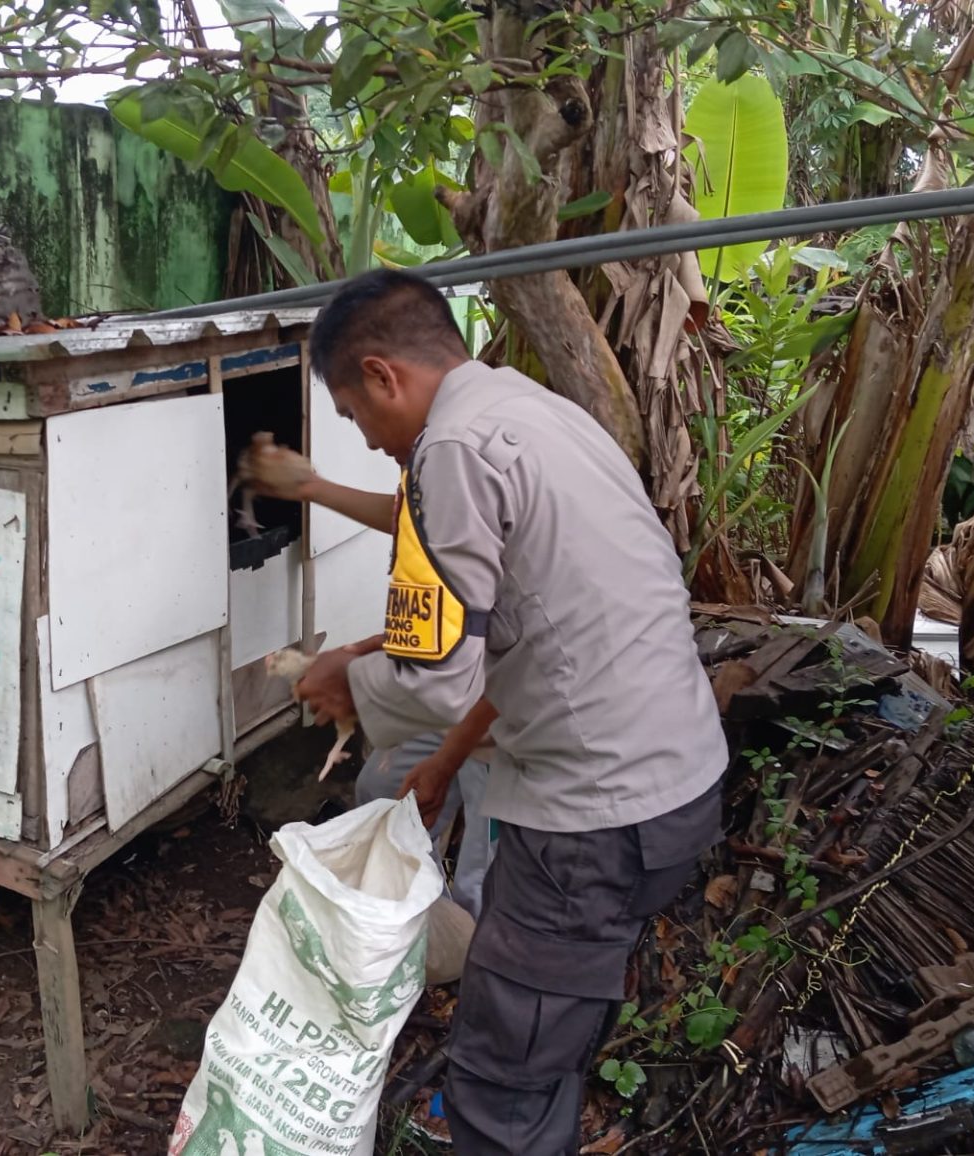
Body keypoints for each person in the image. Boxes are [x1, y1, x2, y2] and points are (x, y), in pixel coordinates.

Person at [288, 269, 727, 1155]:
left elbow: (433, 675)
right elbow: (532, 631)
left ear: (383, 376)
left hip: (592, 824)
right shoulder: (536, 411)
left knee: (503, 1076)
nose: (368, 443)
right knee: (545, 1036)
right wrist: (447, 763)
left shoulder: (449, 453)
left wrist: (346, 681)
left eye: (354, 418)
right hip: (674, 786)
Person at [238, 444, 496, 918]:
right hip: (445, 680)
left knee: (487, 871)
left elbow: (505, 636)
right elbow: (416, 521)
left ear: (386, 377)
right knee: (383, 790)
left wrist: (363, 676)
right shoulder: (430, 452)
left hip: (498, 706)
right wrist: (310, 488)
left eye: (354, 408)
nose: (369, 440)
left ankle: (472, 963)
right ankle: (417, 926)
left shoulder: (472, 447)